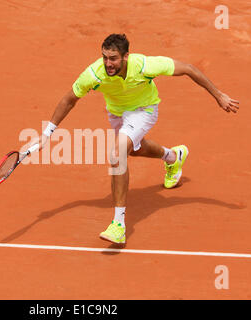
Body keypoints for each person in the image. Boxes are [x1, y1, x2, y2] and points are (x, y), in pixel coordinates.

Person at [32, 33, 239, 244]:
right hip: (116, 113)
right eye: (104, 57)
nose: (108, 63)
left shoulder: (143, 66)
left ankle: (118, 225)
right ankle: (173, 157)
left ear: (126, 57)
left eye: (113, 58)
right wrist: (47, 134)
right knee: (134, 150)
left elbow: (188, 68)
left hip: (144, 109)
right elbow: (69, 99)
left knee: (117, 154)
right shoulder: (94, 74)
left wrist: (219, 95)